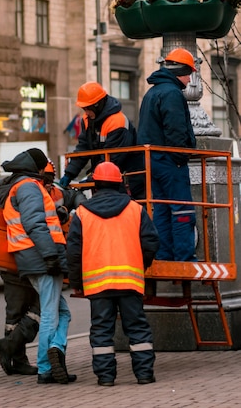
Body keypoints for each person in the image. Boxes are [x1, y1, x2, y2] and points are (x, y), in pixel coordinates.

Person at [67, 161, 159, 387]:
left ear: (94, 185)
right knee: (137, 329)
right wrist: (141, 264)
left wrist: (77, 282)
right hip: (130, 281)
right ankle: (144, 375)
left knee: (101, 332)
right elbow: (151, 242)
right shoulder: (135, 209)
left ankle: (106, 378)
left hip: (98, 286)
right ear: (120, 184)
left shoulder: (81, 213)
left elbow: (74, 252)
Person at [0, 159, 84, 377]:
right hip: (39, 257)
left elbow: (70, 197)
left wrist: (64, 209)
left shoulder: (37, 189)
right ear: (38, 172)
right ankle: (46, 366)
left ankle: (52, 350)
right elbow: (35, 224)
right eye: (46, 178)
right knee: (49, 315)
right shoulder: (29, 188)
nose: (49, 183)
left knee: (61, 312)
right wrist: (51, 256)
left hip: (31, 258)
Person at [137, 47, 197, 261]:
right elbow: (176, 131)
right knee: (182, 211)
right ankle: (184, 259)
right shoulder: (171, 93)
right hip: (170, 161)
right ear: (181, 71)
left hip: (153, 161)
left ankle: (164, 257)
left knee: (161, 211)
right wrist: (181, 158)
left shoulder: (153, 92)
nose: (190, 80)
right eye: (189, 73)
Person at [59, 81, 144, 199]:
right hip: (107, 179)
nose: (86, 112)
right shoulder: (88, 120)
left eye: (87, 108)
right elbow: (83, 148)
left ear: (97, 105)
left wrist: (90, 180)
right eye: (84, 108)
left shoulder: (117, 122)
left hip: (126, 179)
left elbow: (113, 159)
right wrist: (69, 173)